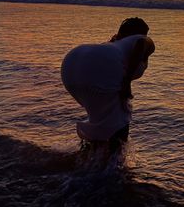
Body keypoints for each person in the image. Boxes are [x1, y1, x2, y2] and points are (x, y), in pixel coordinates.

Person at [61, 17, 155, 152]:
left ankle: (88, 158)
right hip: (100, 68)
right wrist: (126, 82)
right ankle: (112, 165)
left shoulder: (116, 45)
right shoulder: (142, 39)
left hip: (71, 64)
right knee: (120, 120)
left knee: (99, 119)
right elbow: (141, 42)